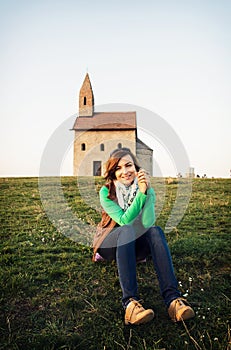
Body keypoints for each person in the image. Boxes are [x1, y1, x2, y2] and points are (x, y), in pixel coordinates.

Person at [92, 147, 195, 325]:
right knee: (127, 229)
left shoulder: (145, 189)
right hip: (110, 243)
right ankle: (130, 304)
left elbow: (147, 223)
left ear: (136, 168)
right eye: (118, 167)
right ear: (112, 172)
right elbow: (124, 221)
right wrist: (140, 194)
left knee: (156, 231)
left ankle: (173, 301)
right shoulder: (106, 192)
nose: (124, 171)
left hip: (133, 243)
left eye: (128, 165)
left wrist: (146, 193)